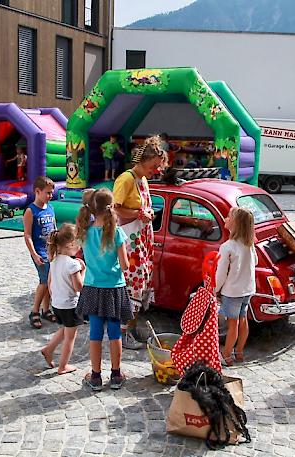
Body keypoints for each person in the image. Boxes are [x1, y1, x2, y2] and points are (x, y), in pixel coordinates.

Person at [112, 135, 166, 350]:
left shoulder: (142, 179)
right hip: (130, 241)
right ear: (143, 161)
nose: (156, 171)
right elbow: (114, 209)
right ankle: (123, 333)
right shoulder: (125, 179)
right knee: (132, 287)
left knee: (140, 286)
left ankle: (131, 328)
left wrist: (147, 213)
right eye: (154, 166)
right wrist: (138, 213)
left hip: (142, 240)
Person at [75, 188, 132, 390]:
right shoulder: (117, 232)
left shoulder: (85, 232)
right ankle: (116, 375)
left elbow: (79, 255)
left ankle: (96, 376)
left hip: (92, 287)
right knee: (115, 333)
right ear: (112, 206)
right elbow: (125, 265)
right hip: (114, 288)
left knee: (95, 333)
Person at [40, 224, 86, 375]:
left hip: (58, 304)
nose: (80, 248)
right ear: (71, 244)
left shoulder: (54, 260)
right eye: (79, 244)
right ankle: (63, 366)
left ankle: (49, 349)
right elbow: (78, 287)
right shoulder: (73, 264)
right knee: (70, 337)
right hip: (70, 305)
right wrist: (83, 271)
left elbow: (50, 281)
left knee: (65, 328)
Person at [214, 207, 257, 365]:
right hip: (247, 289)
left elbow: (221, 273)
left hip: (233, 291)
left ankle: (226, 355)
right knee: (243, 319)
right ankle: (239, 352)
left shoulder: (227, 247)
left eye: (228, 217)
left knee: (233, 323)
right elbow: (255, 262)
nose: (225, 219)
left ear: (235, 223)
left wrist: (215, 289)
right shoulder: (249, 244)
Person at [23, 176, 57, 329]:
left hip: (51, 251)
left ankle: (46, 309)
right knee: (44, 281)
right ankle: (34, 311)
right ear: (37, 191)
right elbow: (27, 235)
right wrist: (34, 254)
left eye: (51, 193)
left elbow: (54, 229)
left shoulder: (50, 208)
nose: (50, 196)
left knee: (50, 280)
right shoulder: (31, 211)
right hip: (40, 252)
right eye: (48, 193)